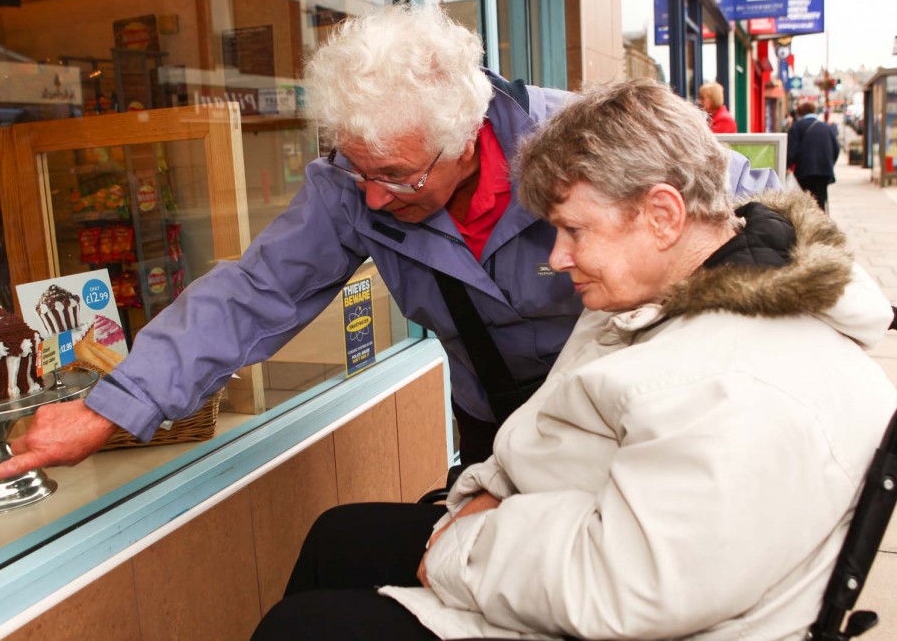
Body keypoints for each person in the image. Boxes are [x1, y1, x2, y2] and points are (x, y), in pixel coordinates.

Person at [0, 5, 779, 485]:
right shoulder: (352, 185)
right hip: (498, 427)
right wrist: (114, 405)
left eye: (394, 173)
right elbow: (256, 293)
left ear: (465, 138)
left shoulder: (573, 142)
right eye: (357, 170)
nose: (371, 198)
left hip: (627, 425)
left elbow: (745, 211)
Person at [250, 79, 896, 641]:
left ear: (663, 214)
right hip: (564, 535)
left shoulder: (737, 384)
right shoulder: (660, 294)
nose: (556, 258)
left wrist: (462, 544)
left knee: (300, 629)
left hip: (611, 610)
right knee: (337, 538)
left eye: (574, 230)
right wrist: (490, 495)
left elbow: (622, 585)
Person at [787, 101, 841, 211]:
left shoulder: (797, 127)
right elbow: (836, 149)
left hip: (804, 171)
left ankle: (810, 225)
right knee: (820, 201)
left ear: (800, 114)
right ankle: (822, 225)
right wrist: (829, 163)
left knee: (806, 202)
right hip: (824, 171)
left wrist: (786, 166)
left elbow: (791, 151)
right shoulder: (826, 127)